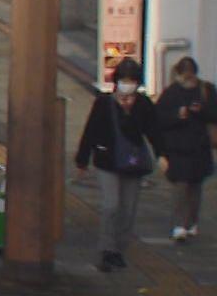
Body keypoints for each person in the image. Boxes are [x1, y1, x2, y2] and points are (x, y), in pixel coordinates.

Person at [73, 58, 161, 272]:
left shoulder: (143, 104)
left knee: (128, 209)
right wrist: (82, 160)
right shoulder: (104, 103)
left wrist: (163, 154)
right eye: (124, 80)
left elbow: (153, 132)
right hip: (107, 160)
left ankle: (120, 249)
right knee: (111, 205)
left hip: (133, 163)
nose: (127, 84)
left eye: (131, 81)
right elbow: (91, 130)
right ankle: (107, 249)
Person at [154, 55, 216, 244]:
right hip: (178, 149)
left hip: (200, 148)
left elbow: (214, 114)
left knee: (195, 187)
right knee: (181, 187)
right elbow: (159, 120)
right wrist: (177, 116)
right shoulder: (171, 93)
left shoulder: (206, 90)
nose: (189, 80)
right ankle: (181, 224)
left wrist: (201, 111)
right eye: (185, 76)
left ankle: (191, 223)